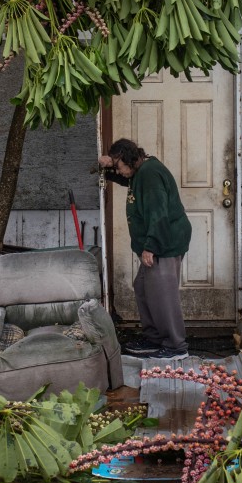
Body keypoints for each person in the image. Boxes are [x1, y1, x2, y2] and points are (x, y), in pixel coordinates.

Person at [99, 139, 191, 360]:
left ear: (130, 160)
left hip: (164, 242)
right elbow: (125, 178)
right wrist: (108, 167)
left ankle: (176, 346)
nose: (119, 171)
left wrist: (151, 247)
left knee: (163, 294)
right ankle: (154, 338)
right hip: (158, 242)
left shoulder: (150, 174)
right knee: (142, 287)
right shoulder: (140, 170)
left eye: (119, 165)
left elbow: (158, 213)